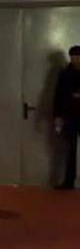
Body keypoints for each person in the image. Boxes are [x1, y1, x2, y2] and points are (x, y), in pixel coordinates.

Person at [54, 45, 80, 190]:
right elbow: (58, 96)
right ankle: (69, 182)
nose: (75, 59)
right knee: (71, 150)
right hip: (70, 117)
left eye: (77, 56)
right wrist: (57, 116)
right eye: (72, 56)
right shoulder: (65, 73)